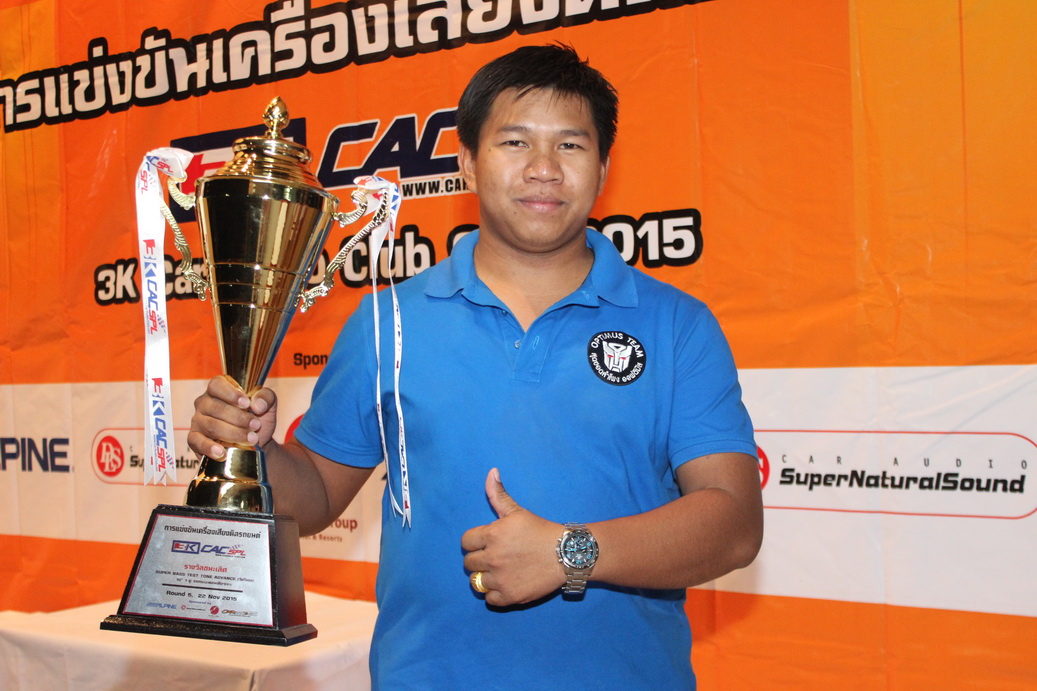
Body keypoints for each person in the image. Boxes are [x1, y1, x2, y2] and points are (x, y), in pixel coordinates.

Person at [190, 44, 763, 689]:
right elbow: (318, 496)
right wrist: (252, 448)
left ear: (603, 168)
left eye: (570, 145)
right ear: (467, 162)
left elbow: (733, 523)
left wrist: (568, 552)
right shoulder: (388, 321)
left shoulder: (677, 325)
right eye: (515, 142)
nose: (543, 168)